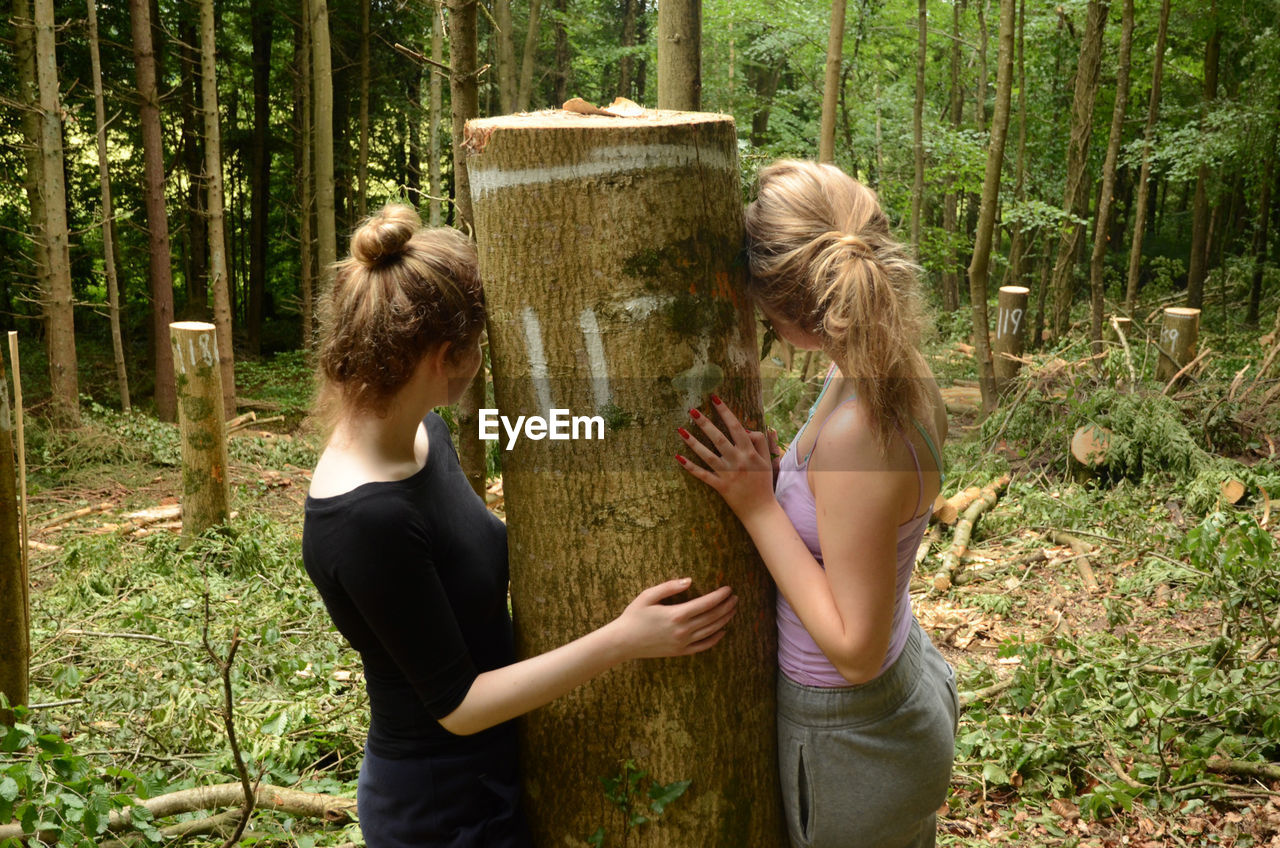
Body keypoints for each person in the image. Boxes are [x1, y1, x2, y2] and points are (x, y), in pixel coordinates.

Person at [302, 203, 739, 848]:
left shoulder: (425, 432)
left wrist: (605, 437)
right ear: (446, 356)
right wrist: (622, 638)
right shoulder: (368, 520)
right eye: (481, 347)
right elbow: (459, 706)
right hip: (439, 807)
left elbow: (484, 508)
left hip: (502, 769)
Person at [675, 161, 957, 848]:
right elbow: (860, 520)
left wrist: (759, 507)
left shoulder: (862, 430)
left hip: (855, 736)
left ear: (789, 315)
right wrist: (786, 480)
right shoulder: (883, 366)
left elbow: (855, 652)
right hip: (893, 702)